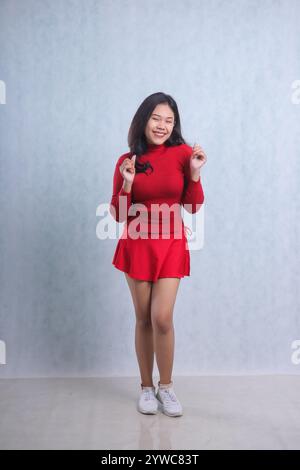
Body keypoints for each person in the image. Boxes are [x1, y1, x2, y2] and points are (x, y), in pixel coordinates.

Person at [110, 92, 207, 417]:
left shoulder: (183, 153)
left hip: (171, 243)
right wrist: (127, 184)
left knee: (161, 318)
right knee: (143, 318)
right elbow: (119, 216)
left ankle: (166, 387)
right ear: (144, 120)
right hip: (137, 245)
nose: (163, 125)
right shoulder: (128, 159)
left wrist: (194, 173)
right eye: (156, 118)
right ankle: (146, 388)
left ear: (175, 124)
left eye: (169, 120)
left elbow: (192, 206)